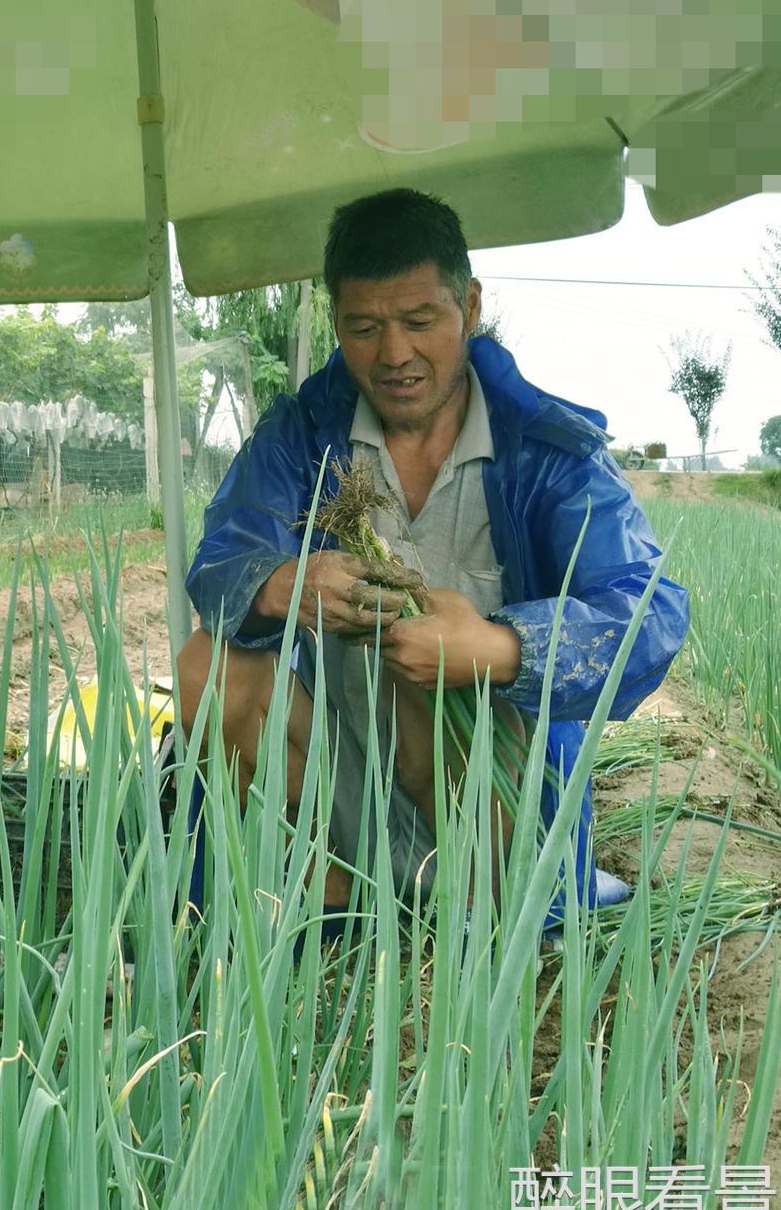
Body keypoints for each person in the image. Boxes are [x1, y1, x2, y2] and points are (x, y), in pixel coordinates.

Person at [179, 188, 687, 925]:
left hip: (484, 789)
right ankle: (337, 904)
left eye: (420, 322)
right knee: (207, 665)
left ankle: (477, 922)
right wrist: (284, 585)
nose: (394, 355)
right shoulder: (302, 438)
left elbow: (651, 611)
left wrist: (499, 646)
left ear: (470, 307)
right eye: (363, 327)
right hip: (340, 766)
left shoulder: (547, 453)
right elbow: (225, 558)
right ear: (336, 322)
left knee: (426, 667)